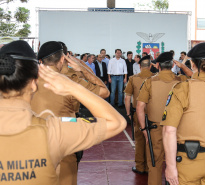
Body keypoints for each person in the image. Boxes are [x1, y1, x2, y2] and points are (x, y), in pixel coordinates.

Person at [0, 40, 126, 185]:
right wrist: (74, 87)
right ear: (33, 84)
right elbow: (116, 122)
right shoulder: (54, 130)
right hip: (65, 150)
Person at [31, 41, 109, 185]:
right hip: (64, 145)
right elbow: (104, 91)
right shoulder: (71, 82)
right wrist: (83, 68)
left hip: (34, 147)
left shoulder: (28, 81)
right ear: (63, 59)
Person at [161, 42, 205, 185]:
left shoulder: (182, 88)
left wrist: (170, 167)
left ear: (192, 64)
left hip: (187, 163)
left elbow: (169, 131)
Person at [136, 52, 193, 185]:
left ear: (157, 65)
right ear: (173, 64)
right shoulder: (182, 80)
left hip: (155, 129)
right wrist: (183, 67)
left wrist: (144, 129)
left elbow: (140, 107)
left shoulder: (149, 82)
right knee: (178, 165)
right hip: (177, 130)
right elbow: (195, 77)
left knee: (155, 165)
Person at [124, 55, 154, 174]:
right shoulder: (155, 78)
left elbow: (127, 97)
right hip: (153, 113)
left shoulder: (133, 78)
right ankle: (151, 165)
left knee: (140, 139)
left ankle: (141, 166)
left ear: (140, 66)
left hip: (138, 112)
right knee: (152, 139)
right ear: (150, 66)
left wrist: (128, 113)